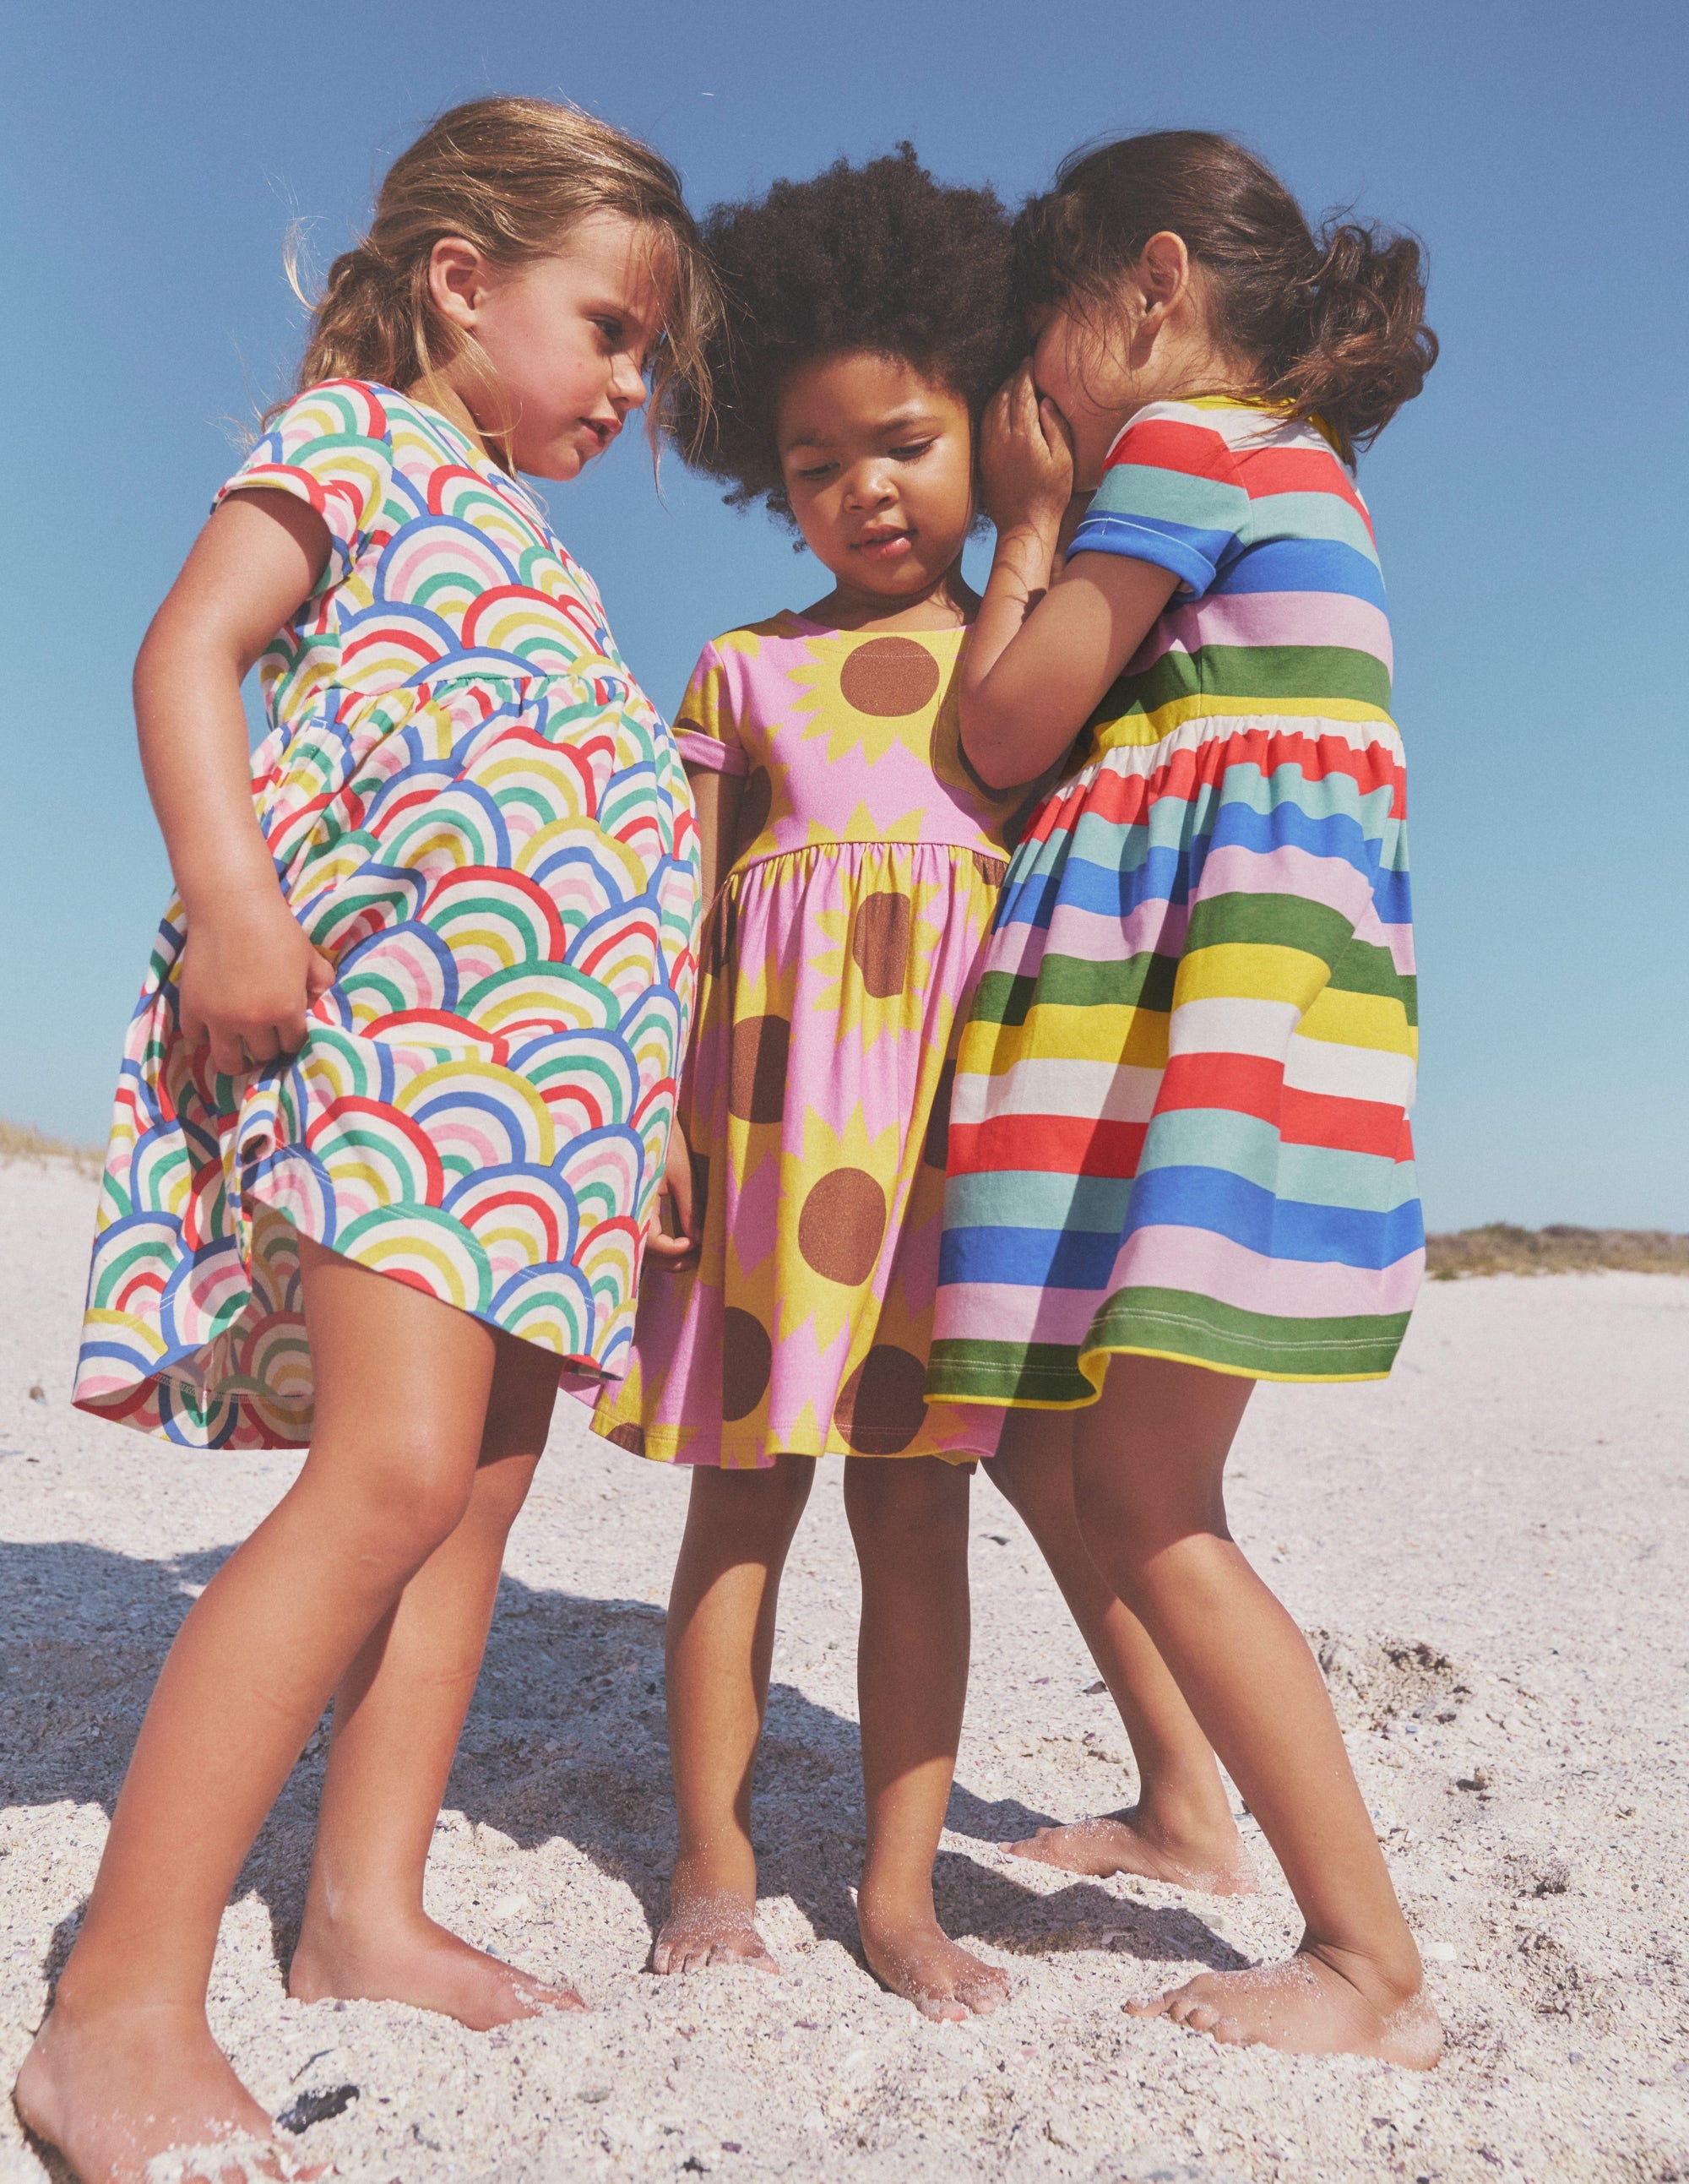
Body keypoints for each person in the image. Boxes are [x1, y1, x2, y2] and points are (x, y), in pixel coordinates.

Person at [19, 95, 716, 2181]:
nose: (628, 386)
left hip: (557, 1093)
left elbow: (592, 838)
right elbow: (188, 650)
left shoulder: (535, 547)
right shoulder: (351, 443)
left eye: (649, 359)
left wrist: (646, 1104)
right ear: (458, 280)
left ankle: (361, 1910)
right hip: (403, 1029)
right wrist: (232, 891)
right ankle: (118, 2004)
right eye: (606, 329)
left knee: (479, 1492)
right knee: (390, 1468)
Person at [592, 147, 1245, 2023]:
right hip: (759, 1158)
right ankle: (712, 1857)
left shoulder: (1033, 672)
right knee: (735, 1509)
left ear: (990, 434)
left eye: (901, 440)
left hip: (954, 1181)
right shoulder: (740, 673)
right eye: (811, 464)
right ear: (760, 476)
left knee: (916, 1522)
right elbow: (675, 925)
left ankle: (896, 1891)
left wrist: (1038, 538)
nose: (860, 489)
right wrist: (650, 1127)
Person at [929, 130, 1443, 2066]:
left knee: (1147, 1492)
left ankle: (1366, 1961)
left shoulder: (1180, 449)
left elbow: (998, 730)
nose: (1026, 389)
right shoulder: (1299, 472)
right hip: (1238, 1028)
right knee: (1051, 1450)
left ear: (1148, 288)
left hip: (1197, 1039)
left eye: (1038, 337)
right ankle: (1180, 1800)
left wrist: (1030, 528)